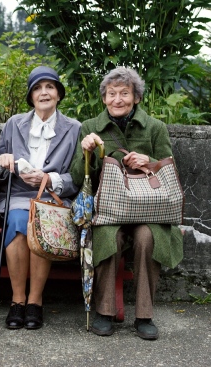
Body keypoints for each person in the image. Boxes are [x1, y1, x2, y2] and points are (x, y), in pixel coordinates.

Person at [70, 67, 183, 340]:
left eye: (124, 93)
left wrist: (149, 162)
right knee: (109, 237)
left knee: (148, 238)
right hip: (109, 210)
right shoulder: (89, 128)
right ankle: (105, 312)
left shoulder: (155, 128)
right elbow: (76, 177)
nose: (117, 99)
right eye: (111, 94)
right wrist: (88, 153)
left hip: (149, 209)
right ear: (104, 98)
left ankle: (144, 315)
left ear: (136, 98)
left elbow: (170, 172)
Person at [0, 65, 81, 329]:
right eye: (37, 88)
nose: (44, 93)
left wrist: (49, 179)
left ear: (59, 94)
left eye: (50, 87)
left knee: (40, 221)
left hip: (52, 198)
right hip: (18, 194)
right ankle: (17, 300)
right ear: (31, 96)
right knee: (19, 222)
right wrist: (3, 162)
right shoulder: (14, 124)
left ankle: (35, 301)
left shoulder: (74, 129)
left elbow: (78, 176)